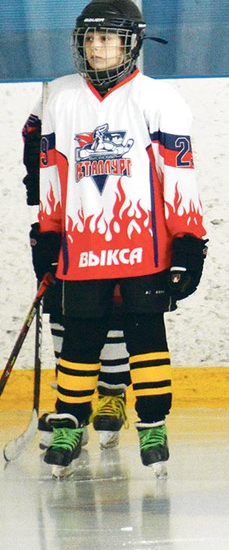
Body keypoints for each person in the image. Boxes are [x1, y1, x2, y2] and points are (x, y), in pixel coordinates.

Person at [31, 0, 207, 477]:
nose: (97, 47)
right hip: (81, 249)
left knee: (146, 337)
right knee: (80, 342)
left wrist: (188, 243)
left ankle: (152, 424)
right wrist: (47, 238)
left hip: (144, 249)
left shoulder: (158, 99)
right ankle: (69, 422)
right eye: (89, 37)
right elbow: (53, 174)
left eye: (108, 37)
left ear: (131, 42)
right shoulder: (60, 97)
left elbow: (178, 176)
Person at [23, 110, 132, 450]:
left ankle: (112, 392)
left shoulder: (124, 98)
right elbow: (32, 144)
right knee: (62, 299)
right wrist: (37, 190)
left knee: (114, 299)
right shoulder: (53, 97)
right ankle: (72, 403)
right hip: (64, 214)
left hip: (115, 212)